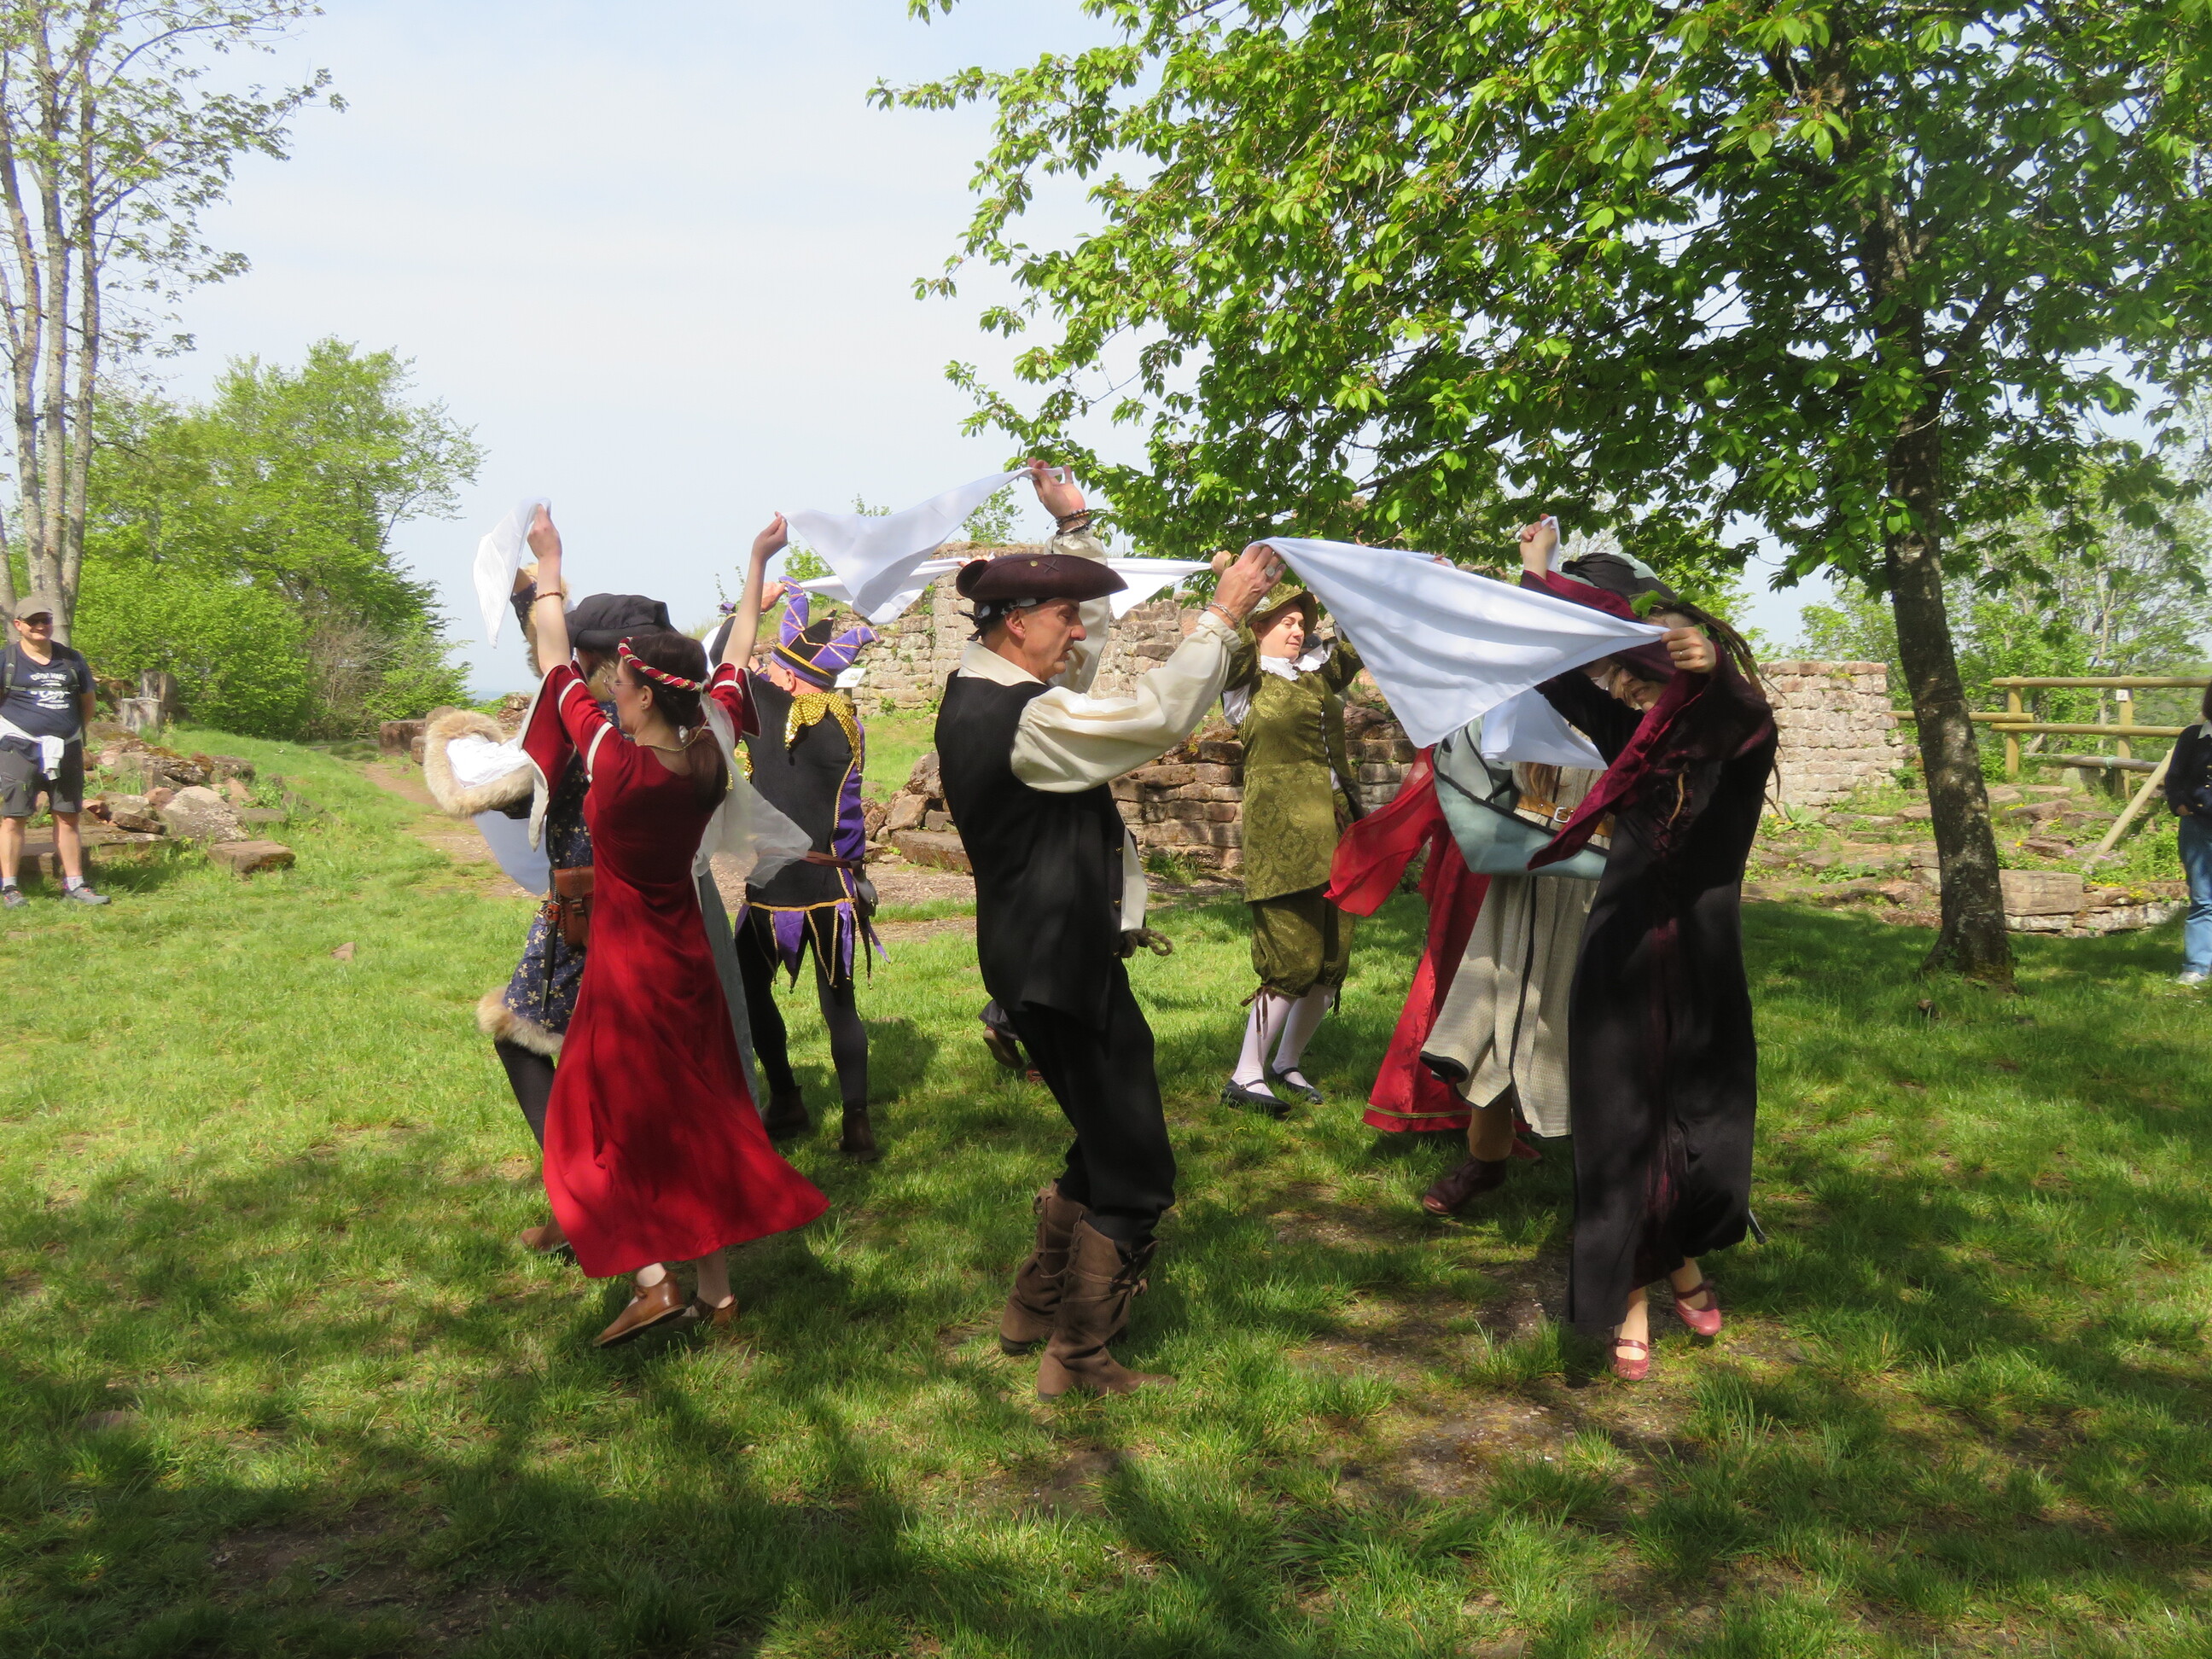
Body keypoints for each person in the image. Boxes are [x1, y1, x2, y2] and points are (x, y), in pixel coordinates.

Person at [936, 459, 1284, 1397]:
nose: (1081, 632)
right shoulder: (1024, 720)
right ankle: (1079, 1360)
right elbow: (1156, 714)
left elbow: (1079, 669)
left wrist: (1076, 530)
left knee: (1102, 1131)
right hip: (1059, 967)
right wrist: (1222, 617)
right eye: (1066, 615)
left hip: (1036, 959)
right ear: (1017, 623)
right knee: (1137, 1168)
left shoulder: (981, 686)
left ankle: (1032, 1307)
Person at [522, 508, 827, 1347]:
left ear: (647, 692)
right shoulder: (711, 746)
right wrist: (757, 560)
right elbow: (736, 652)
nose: (608, 690)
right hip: (690, 960)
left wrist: (549, 562)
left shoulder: (613, 762)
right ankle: (716, 1296)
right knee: (699, 1117)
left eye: (619, 682)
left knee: (588, 1126)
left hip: (627, 973)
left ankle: (655, 1281)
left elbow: (552, 658)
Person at [422, 579, 764, 1259]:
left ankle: (588, 1203)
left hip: (595, 922)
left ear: (603, 661)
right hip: (681, 911)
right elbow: (735, 659)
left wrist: (457, 738)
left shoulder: (603, 736)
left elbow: (502, 788)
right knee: (664, 1071)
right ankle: (659, 1226)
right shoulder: (694, 729)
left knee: (546, 1049)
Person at [1514, 519, 1773, 1382]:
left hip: (1700, 961)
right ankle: (1633, 1297)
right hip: (1621, 957)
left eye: (1654, 654)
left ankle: (1684, 1262)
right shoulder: (1627, 736)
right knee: (1622, 1127)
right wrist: (1535, 574)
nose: (1632, 675)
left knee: (1698, 1123)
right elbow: (1549, 667)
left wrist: (1713, 665)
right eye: (1624, 662)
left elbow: (1742, 711)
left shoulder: (1738, 735)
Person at [707, 589, 882, 1158]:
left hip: (777, 882)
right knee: (840, 1007)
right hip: (836, 884)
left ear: (788, 676)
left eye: (775, 668)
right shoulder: (849, 726)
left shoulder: (764, 712)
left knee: (749, 988)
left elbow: (720, 664)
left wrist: (751, 606)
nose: (768, 674)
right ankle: (857, 1124)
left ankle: (785, 1098)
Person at [1413, 747, 1604, 1213]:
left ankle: (1607, 1184)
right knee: (1499, 1013)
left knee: (1589, 1028)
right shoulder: (1536, 712)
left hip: (1603, 878)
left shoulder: (1640, 715)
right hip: (1526, 867)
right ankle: (1486, 1158)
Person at [1214, 573, 1367, 1115]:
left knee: (1331, 960)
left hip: (1337, 830)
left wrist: (1373, 589)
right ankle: (1245, 1074)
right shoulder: (1245, 679)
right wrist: (1234, 589)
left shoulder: (1316, 676)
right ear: (1259, 628)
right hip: (1282, 837)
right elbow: (1228, 641)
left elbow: (1356, 645)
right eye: (1287, 622)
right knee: (1291, 958)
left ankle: (1286, 1062)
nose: (1299, 631)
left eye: (1303, 622)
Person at [0, 591, 108, 908]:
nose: (40, 626)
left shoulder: (72, 660)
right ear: (18, 625)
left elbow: (87, 703)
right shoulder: (7, 660)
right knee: (13, 817)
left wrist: (70, 734)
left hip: (66, 748)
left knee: (68, 816)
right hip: (18, 747)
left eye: (45, 620)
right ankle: (10, 888)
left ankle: (75, 885)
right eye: (32, 621)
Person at [2163, 685, 2212, 987]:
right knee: (2203, 899)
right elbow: (2174, 777)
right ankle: (2197, 965)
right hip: (2197, 826)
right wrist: (2180, 805)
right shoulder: (2192, 736)